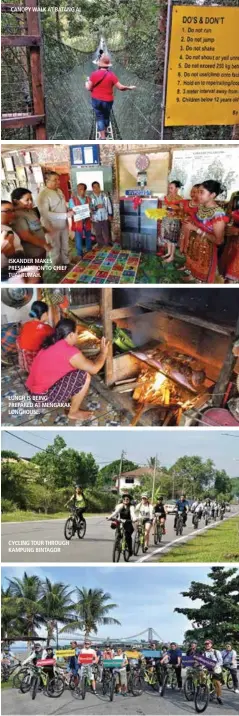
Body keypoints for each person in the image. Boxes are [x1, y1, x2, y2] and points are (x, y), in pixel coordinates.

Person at [26, 317, 109, 421]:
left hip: (32, 390)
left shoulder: (52, 342)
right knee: (84, 375)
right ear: (70, 335)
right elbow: (94, 369)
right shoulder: (69, 351)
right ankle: (73, 412)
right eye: (77, 333)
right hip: (42, 398)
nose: (77, 336)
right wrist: (103, 352)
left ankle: (69, 398)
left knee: (75, 371)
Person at [182, 180, 229, 283]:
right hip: (195, 243)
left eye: (201, 192)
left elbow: (219, 241)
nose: (198, 195)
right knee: (193, 262)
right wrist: (191, 221)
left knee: (202, 273)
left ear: (212, 195)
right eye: (198, 191)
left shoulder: (218, 215)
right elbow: (197, 220)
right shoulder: (201, 206)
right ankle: (192, 275)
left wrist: (196, 229)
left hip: (207, 249)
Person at [85, 54, 136, 139]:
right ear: (108, 65)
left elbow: (88, 88)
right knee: (106, 116)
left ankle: (103, 137)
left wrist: (86, 83)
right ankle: (105, 130)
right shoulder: (111, 75)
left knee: (99, 117)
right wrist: (129, 87)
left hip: (96, 100)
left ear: (99, 64)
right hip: (108, 101)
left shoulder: (93, 74)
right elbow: (120, 87)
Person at [37, 171, 70, 268]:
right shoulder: (43, 195)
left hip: (63, 223)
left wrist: (69, 207)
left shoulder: (59, 190)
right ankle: (57, 266)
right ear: (47, 181)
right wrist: (65, 215)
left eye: (58, 179)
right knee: (55, 247)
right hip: (52, 226)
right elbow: (45, 214)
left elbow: (62, 204)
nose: (58, 182)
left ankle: (66, 261)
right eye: (55, 180)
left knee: (65, 244)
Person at [11, 188, 49, 271]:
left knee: (40, 272)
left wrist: (46, 230)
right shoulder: (18, 215)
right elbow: (25, 236)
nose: (30, 202)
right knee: (34, 275)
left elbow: (36, 226)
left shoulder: (30, 211)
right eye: (27, 200)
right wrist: (44, 244)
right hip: (32, 253)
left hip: (40, 250)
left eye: (31, 199)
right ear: (16, 201)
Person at [17, 300, 53, 372]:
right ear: (45, 314)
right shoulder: (46, 328)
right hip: (36, 367)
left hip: (24, 364)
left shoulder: (26, 325)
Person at [161, 181, 184, 263]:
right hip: (167, 219)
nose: (169, 189)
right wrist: (165, 211)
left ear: (177, 189)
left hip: (174, 221)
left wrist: (176, 212)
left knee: (173, 239)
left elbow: (182, 211)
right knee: (167, 238)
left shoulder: (180, 199)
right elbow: (166, 208)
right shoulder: (167, 197)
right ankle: (168, 252)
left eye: (171, 188)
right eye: (169, 188)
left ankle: (172, 256)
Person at [1, 200, 23, 281]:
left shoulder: (7, 227)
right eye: (8, 211)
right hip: (9, 275)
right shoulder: (3, 231)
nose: (13, 214)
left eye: (13, 210)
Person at [68, 183, 92, 258]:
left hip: (87, 221)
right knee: (78, 238)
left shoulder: (88, 199)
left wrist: (90, 210)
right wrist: (76, 212)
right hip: (78, 223)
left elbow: (91, 208)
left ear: (85, 190)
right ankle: (79, 253)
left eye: (81, 189)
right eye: (78, 189)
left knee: (88, 237)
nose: (79, 191)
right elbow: (71, 210)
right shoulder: (72, 200)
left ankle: (89, 250)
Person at [90, 181, 113, 247]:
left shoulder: (105, 195)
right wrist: (96, 207)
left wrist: (110, 214)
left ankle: (107, 244)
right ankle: (100, 245)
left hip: (105, 217)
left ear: (99, 187)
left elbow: (109, 205)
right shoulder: (90, 197)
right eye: (94, 187)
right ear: (92, 188)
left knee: (106, 232)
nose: (96, 188)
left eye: (97, 186)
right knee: (98, 233)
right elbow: (89, 208)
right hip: (96, 218)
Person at [180, 185, 200, 253]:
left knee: (190, 243)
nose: (192, 194)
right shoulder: (186, 203)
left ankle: (187, 255)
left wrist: (192, 218)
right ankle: (181, 252)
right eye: (191, 192)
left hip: (193, 229)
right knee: (183, 239)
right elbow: (182, 214)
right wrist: (182, 218)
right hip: (184, 226)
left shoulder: (201, 206)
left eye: (194, 192)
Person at [202, 639, 223, 704]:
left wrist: (215, 666)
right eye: (205, 644)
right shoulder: (204, 653)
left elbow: (220, 661)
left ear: (211, 644)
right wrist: (202, 667)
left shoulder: (216, 652)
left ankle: (218, 696)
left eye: (208, 644)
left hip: (215, 668)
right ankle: (203, 689)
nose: (207, 645)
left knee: (217, 683)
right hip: (207, 668)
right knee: (201, 675)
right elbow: (202, 662)